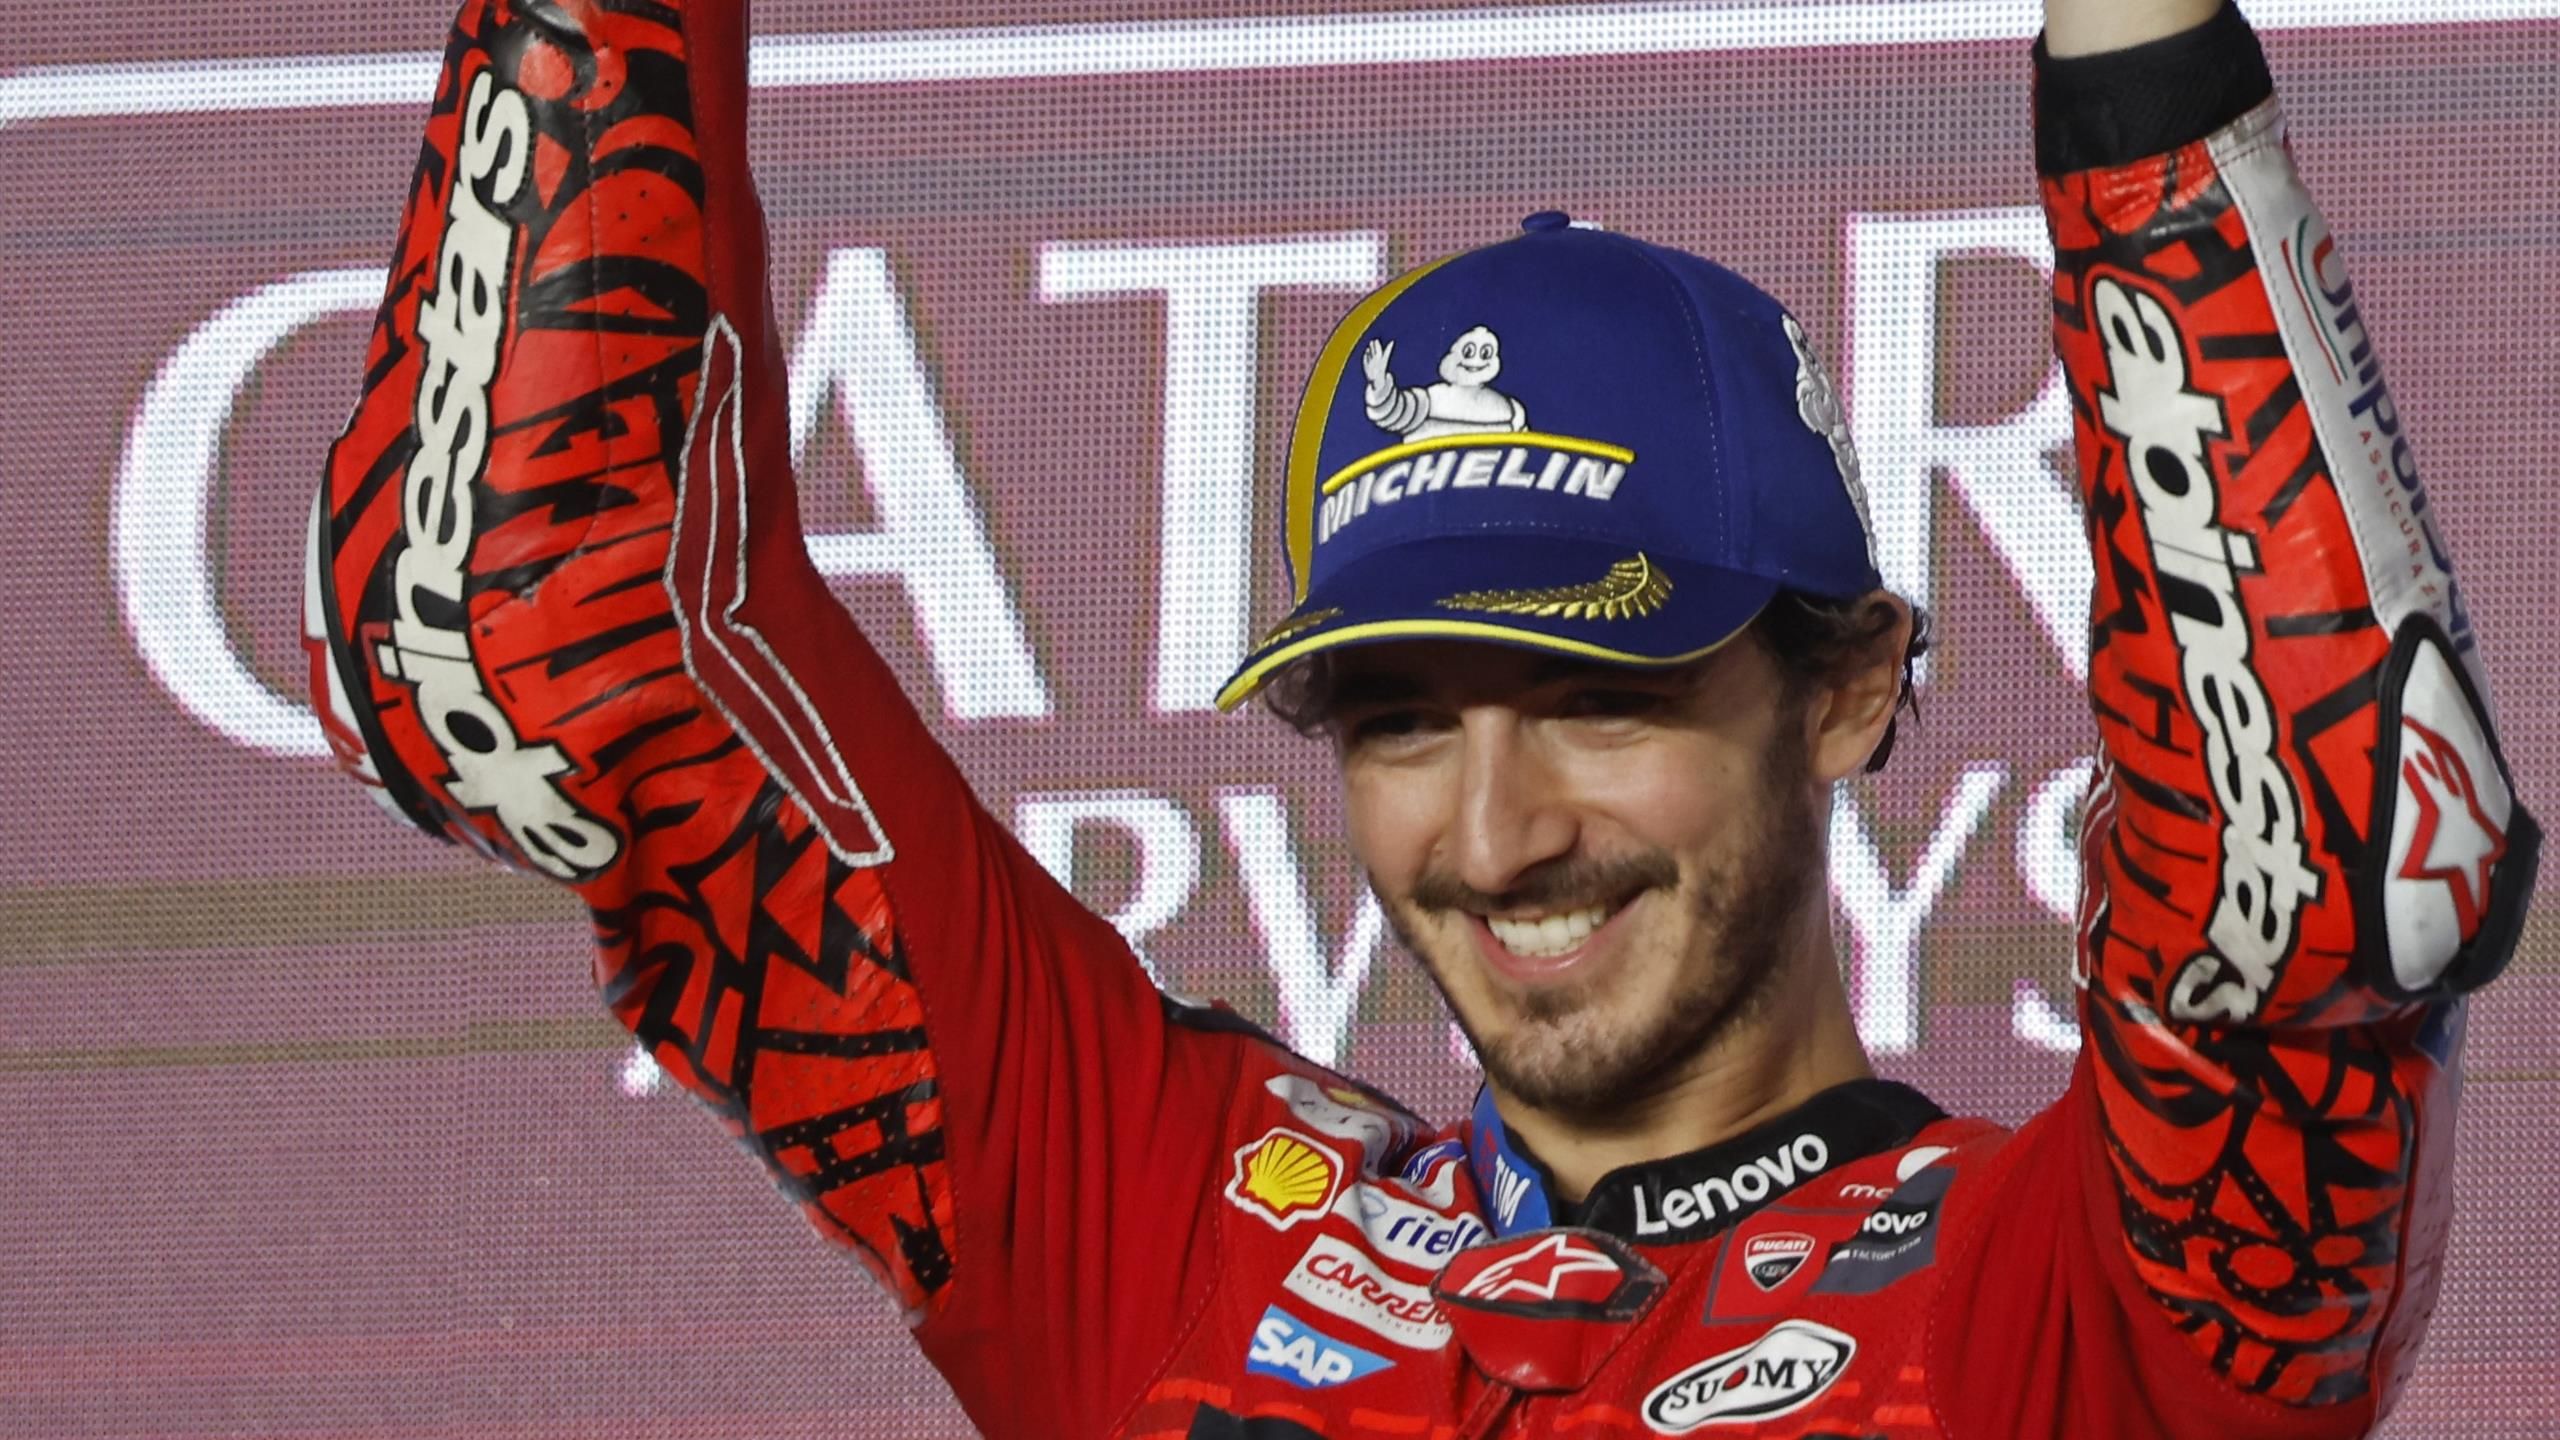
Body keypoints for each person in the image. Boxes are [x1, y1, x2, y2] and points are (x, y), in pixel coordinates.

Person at [302, 0, 2536, 1432]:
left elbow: (2327, 873)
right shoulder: (1172, 1229)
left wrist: (2138, 72)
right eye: (1393, 719)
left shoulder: (2048, 1319)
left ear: (1847, 689)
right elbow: (545, 632)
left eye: (1595, 697)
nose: (1492, 832)